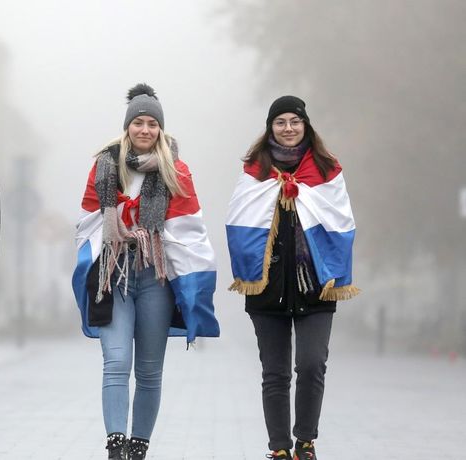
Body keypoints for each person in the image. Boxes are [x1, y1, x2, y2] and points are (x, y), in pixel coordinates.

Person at [72, 84, 219, 460]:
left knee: (150, 371)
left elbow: (189, 228)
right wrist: (117, 227)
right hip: (114, 275)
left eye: (152, 124)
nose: (145, 130)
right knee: (117, 362)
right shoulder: (105, 166)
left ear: (160, 129)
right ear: (127, 127)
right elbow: (87, 222)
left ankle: (138, 447)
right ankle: (115, 446)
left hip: (156, 277)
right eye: (138, 122)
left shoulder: (176, 171)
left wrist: (192, 281)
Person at [225, 96, 358, 460]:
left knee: (312, 365)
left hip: (316, 286)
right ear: (270, 127)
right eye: (280, 121)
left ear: (305, 125)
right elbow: (238, 223)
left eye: (295, 121)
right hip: (267, 287)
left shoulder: (327, 170)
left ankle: (306, 442)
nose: (288, 128)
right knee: (275, 373)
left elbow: (341, 224)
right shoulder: (255, 171)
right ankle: (280, 449)